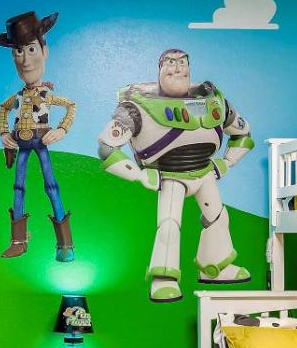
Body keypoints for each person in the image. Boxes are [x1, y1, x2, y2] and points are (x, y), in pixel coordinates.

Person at [97, 49, 254, 302]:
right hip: (170, 175)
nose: (178, 68)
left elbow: (243, 134)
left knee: (218, 218)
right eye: (171, 63)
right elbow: (107, 148)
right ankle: (164, 279)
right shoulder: (136, 107)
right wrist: (139, 176)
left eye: (183, 63)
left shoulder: (214, 100)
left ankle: (215, 267)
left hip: (205, 172)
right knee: (169, 225)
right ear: (160, 68)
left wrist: (226, 162)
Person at [0, 11, 77, 262]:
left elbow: (71, 105)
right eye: (19, 51)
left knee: (51, 186)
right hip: (21, 142)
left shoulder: (47, 95)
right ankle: (18, 241)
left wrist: (61, 129)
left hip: (41, 141)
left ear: (44, 51)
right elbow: (3, 108)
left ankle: (66, 245)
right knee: (18, 186)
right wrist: (4, 133)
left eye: (31, 49)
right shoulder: (18, 96)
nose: (25, 60)